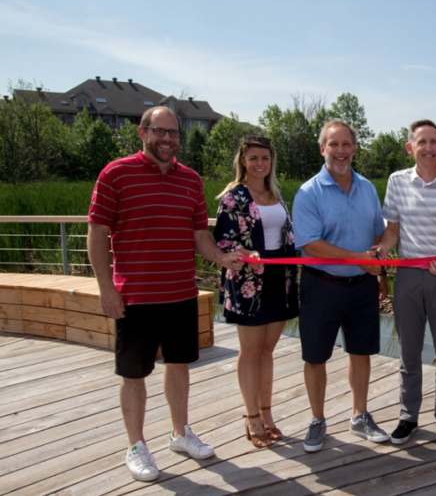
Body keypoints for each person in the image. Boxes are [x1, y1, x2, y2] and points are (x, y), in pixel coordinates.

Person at [87, 107, 243, 482]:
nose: (168, 139)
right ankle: (136, 445)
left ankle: (179, 433)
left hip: (181, 293)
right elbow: (97, 232)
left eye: (173, 133)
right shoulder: (115, 173)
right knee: (133, 374)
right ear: (143, 133)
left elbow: (199, 236)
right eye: (160, 131)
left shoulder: (190, 179)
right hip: (134, 297)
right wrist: (106, 289)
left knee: (179, 365)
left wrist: (223, 258)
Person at [375, 119, 436, 447]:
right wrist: (381, 249)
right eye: (422, 142)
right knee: (408, 351)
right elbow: (392, 231)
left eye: (434, 142)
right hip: (407, 276)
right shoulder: (397, 181)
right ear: (410, 148)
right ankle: (408, 417)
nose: (428, 148)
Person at [292, 119, 389, 453]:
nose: (340, 151)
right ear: (323, 149)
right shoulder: (309, 192)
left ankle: (359, 415)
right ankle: (317, 420)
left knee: (361, 352)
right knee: (315, 356)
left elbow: (377, 234)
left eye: (346, 144)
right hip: (322, 285)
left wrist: (380, 273)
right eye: (333, 144)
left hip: (362, 286)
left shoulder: (367, 188)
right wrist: (358, 258)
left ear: (355, 148)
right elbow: (310, 243)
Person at [213, 136, 299, 449]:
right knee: (250, 351)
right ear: (243, 161)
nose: (259, 164)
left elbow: (287, 234)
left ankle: (267, 414)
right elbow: (223, 241)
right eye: (253, 158)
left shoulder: (276, 194)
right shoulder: (233, 197)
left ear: (271, 161)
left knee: (267, 351)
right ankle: (251, 417)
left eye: (265, 158)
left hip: (280, 278)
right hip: (248, 280)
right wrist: (246, 253)